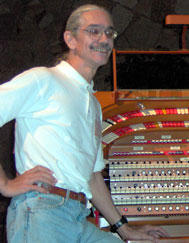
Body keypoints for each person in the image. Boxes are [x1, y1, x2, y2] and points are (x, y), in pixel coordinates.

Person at [0, 4, 168, 243]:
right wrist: (6, 185)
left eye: (109, 33)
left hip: (78, 215)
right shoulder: (43, 79)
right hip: (43, 210)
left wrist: (124, 229)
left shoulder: (93, 103)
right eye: (94, 31)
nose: (104, 39)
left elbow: (92, 175)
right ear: (70, 39)